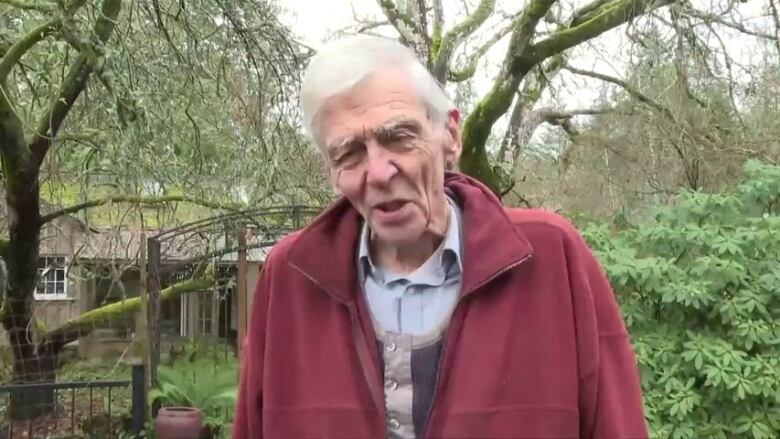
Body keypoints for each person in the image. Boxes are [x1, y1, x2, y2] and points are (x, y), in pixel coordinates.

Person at [233, 34, 648, 439]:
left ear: (450, 135)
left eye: (399, 137)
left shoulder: (551, 257)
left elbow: (616, 424)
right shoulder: (291, 278)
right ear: (330, 170)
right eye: (349, 154)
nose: (378, 173)